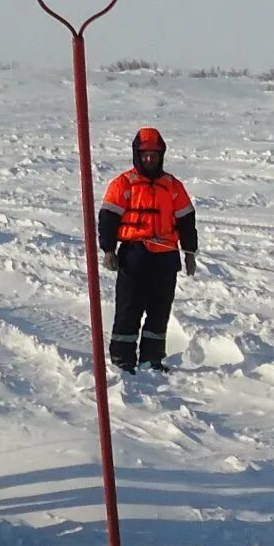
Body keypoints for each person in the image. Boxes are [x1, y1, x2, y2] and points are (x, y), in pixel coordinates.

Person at [98, 126, 198, 370]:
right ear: (137, 155)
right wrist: (109, 250)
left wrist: (190, 252)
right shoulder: (123, 184)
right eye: (145, 154)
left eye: (154, 154)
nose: (150, 159)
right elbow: (108, 218)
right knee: (128, 310)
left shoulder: (173, 186)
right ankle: (122, 361)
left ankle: (152, 359)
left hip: (166, 258)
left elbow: (186, 220)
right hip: (134, 255)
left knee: (159, 311)